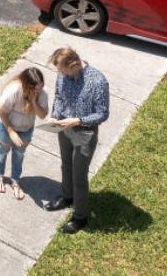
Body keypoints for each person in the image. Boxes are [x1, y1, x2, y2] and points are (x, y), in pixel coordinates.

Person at [42, 46, 110, 233]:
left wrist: (78, 120)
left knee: (79, 176)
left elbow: (102, 114)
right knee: (66, 165)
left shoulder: (97, 81)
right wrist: (55, 115)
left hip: (84, 133)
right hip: (64, 127)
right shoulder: (63, 75)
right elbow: (59, 97)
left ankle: (80, 217)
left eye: (62, 70)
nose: (60, 74)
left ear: (74, 65)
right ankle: (67, 196)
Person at [0, 66, 49, 200]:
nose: (39, 90)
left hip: (25, 128)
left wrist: (34, 101)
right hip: (6, 125)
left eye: (40, 86)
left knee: (19, 154)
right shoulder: (14, 90)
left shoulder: (42, 93)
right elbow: (2, 111)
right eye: (35, 88)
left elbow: (42, 115)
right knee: (3, 149)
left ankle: (15, 180)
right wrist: (11, 131)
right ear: (25, 84)